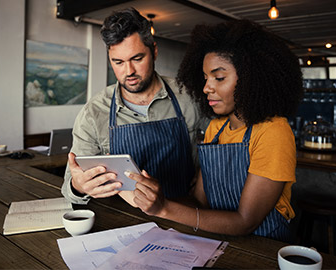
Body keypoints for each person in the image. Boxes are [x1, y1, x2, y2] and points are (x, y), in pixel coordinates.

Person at [125, 19, 303, 241]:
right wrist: (156, 199)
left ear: (251, 78)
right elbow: (199, 202)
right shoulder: (216, 128)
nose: (206, 87)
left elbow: (245, 221)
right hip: (217, 243)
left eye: (219, 78)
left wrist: (164, 209)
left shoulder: (274, 132)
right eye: (205, 78)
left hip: (262, 251)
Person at [61, 7, 205, 205]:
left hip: (184, 215)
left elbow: (218, 147)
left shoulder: (189, 96)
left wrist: (205, 176)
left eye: (137, 59)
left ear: (154, 51)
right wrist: (78, 186)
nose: (129, 71)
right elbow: (69, 187)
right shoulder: (94, 113)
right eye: (118, 62)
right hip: (123, 222)